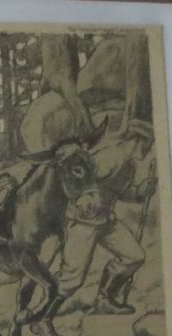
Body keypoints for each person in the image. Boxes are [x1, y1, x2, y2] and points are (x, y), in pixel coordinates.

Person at [57, 119, 158, 315]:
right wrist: (82, 200)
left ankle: (104, 298)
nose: (149, 149)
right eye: (148, 143)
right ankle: (43, 312)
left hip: (105, 221)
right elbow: (78, 178)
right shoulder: (111, 157)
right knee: (72, 279)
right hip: (83, 222)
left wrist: (140, 191)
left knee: (134, 256)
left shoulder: (129, 165)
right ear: (140, 140)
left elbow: (121, 193)